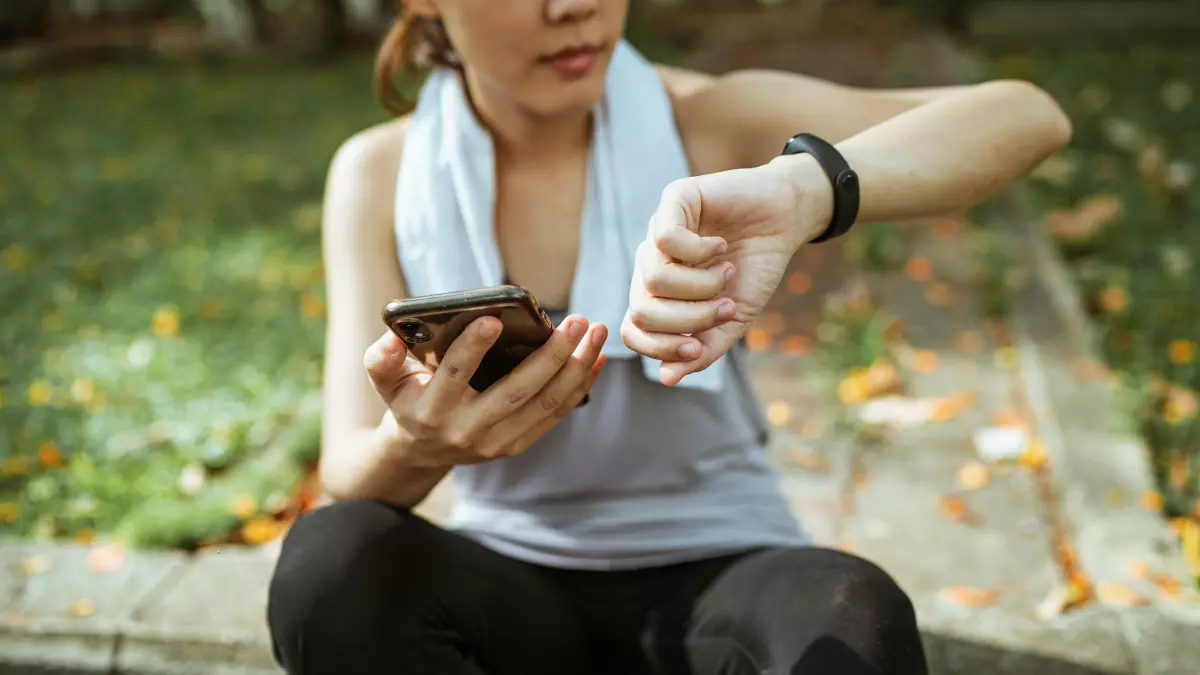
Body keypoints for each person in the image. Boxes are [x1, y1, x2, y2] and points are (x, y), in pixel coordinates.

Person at [266, 1, 1073, 673]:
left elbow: (1027, 116)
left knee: (853, 617)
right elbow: (348, 466)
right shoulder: (380, 174)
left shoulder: (710, 122)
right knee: (331, 563)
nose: (572, 7)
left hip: (722, 569)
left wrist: (804, 188)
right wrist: (420, 445)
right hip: (509, 586)